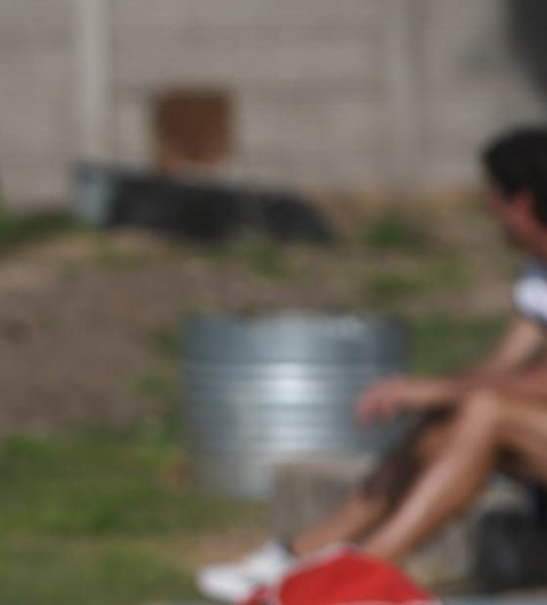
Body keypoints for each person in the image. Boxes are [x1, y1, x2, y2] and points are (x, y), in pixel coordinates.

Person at [197, 127, 547, 603]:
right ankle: (301, 555)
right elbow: (502, 366)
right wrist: (428, 391)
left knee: (483, 408)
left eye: (492, 197)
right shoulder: (538, 271)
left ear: (522, 202)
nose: (488, 211)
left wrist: (439, 390)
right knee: (453, 417)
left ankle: (361, 574)